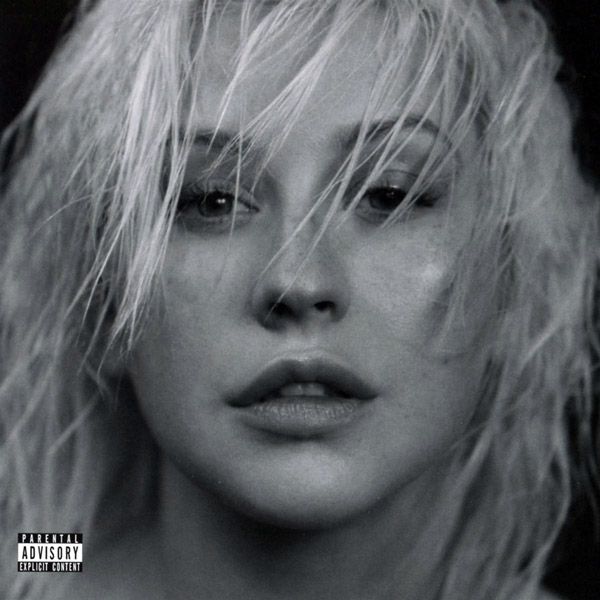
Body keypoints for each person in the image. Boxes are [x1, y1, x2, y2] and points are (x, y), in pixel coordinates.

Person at [0, 0, 597, 598]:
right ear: (102, 295)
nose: (298, 281)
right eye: (211, 200)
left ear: (512, 284)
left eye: (388, 194)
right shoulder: (42, 563)